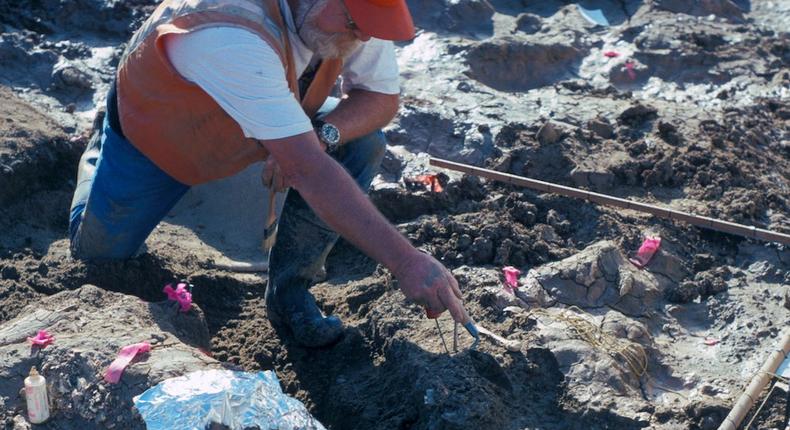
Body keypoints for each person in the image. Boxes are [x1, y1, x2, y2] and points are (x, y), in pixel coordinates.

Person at [68, 0, 474, 347]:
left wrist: (323, 136)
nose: (362, 38)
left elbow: (382, 98)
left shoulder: (350, 15)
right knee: (101, 257)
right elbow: (307, 169)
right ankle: (102, 145)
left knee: (364, 141)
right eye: (354, 24)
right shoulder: (228, 29)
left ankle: (289, 292)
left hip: (264, 115)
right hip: (162, 132)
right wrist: (405, 262)